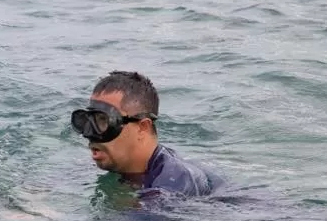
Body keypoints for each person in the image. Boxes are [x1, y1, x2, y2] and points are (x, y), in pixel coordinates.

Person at [71, 70, 226, 200]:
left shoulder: (170, 188)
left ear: (142, 128)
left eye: (103, 121)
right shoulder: (125, 165)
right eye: (87, 121)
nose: (89, 134)